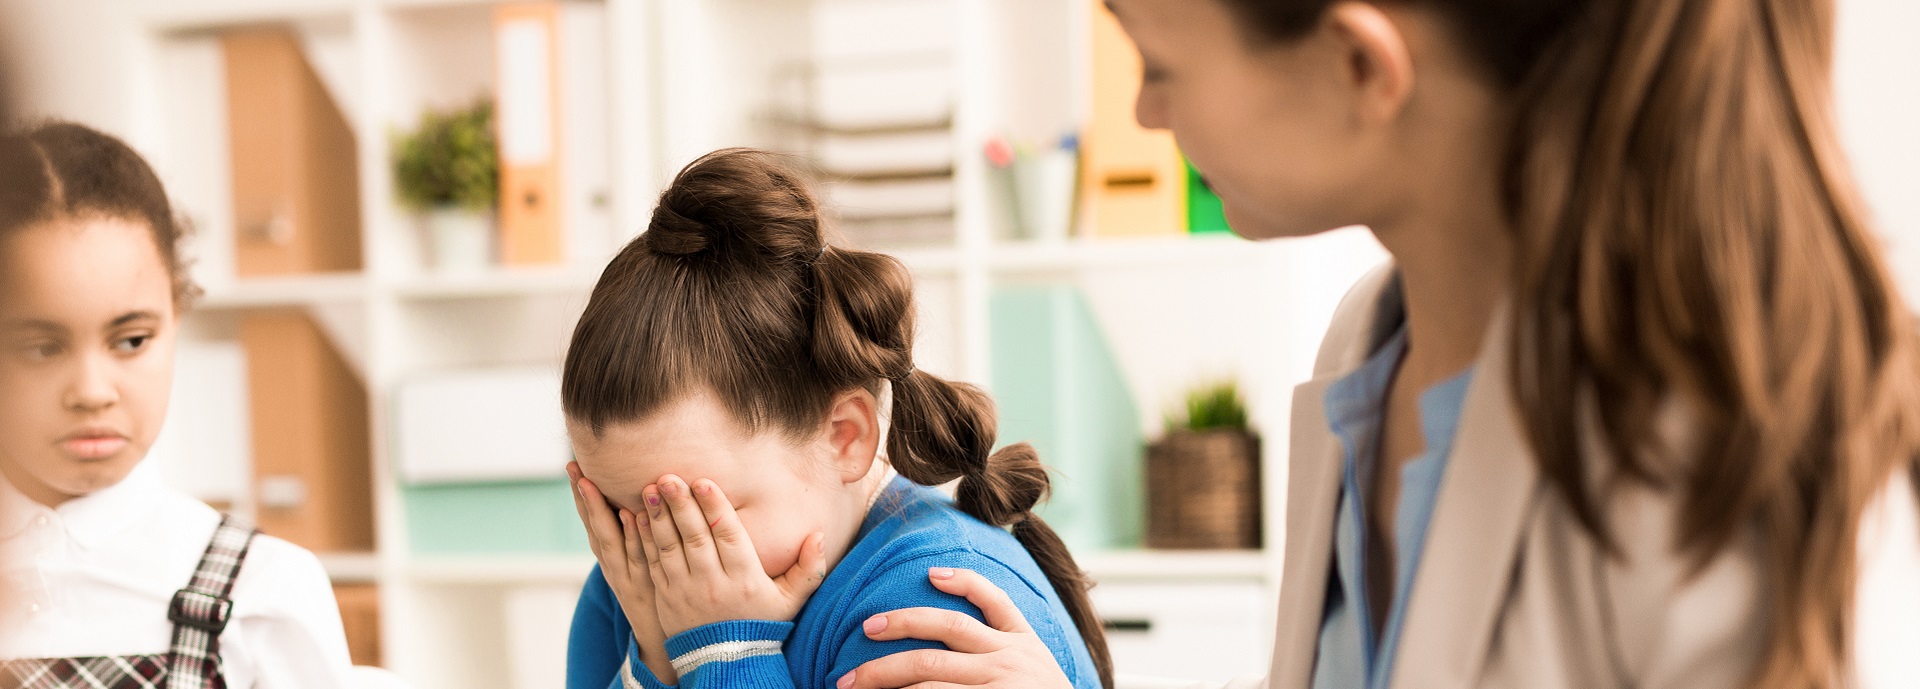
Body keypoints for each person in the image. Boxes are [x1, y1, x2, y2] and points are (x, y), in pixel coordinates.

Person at [838, 0, 1920, 688]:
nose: (1146, 109)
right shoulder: (1367, 346)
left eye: (1159, 61)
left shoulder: (1711, 457)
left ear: (1361, 63)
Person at [559, 149, 1109, 689]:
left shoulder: (934, 613)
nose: (663, 559)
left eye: (695, 512)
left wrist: (725, 654)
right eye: (617, 512)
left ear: (845, 438)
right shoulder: (628, 584)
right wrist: (654, 662)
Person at [0, 122, 358, 687]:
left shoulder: (264, 592)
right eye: (41, 348)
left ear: (176, 316)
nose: (93, 391)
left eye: (131, 340)